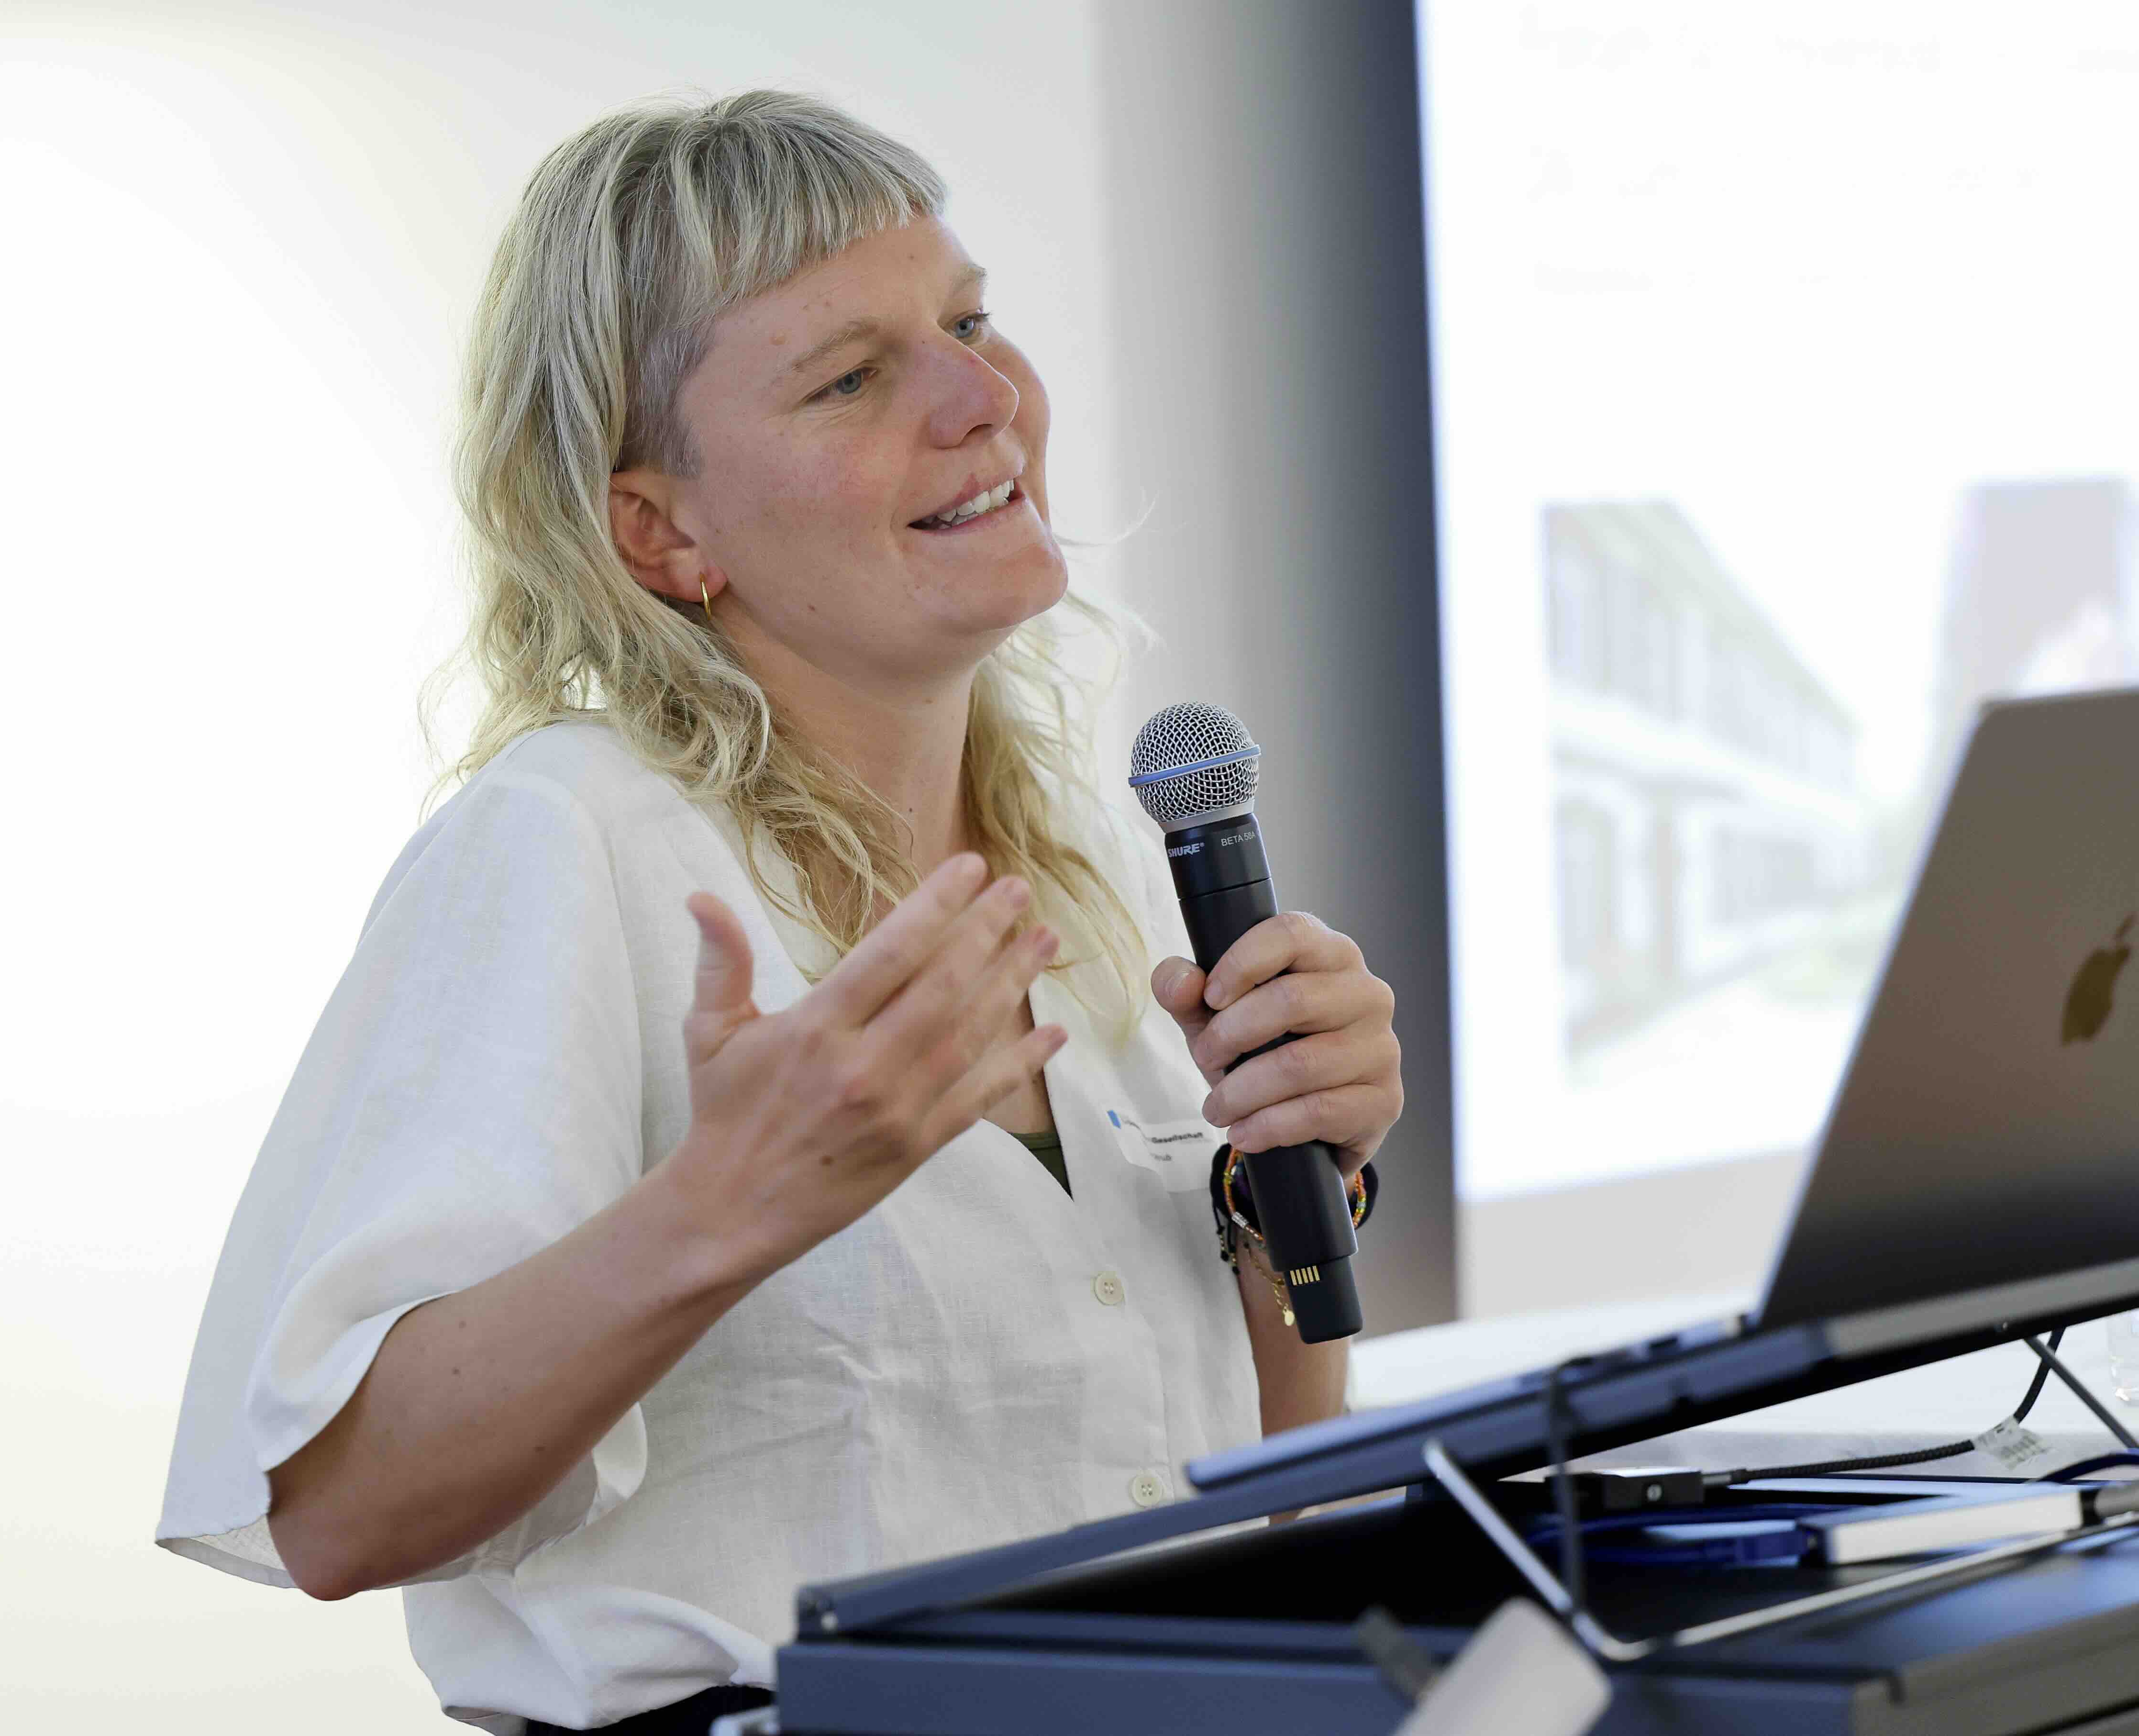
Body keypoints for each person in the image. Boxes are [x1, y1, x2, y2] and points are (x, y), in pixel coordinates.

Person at [153, 88, 1405, 1734]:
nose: (985, 398)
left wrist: (1284, 1183)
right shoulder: (567, 839)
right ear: (660, 530)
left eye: (966, 319)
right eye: (851, 377)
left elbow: (1263, 1493)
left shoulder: (1086, 877)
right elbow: (332, 1511)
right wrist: (723, 1206)